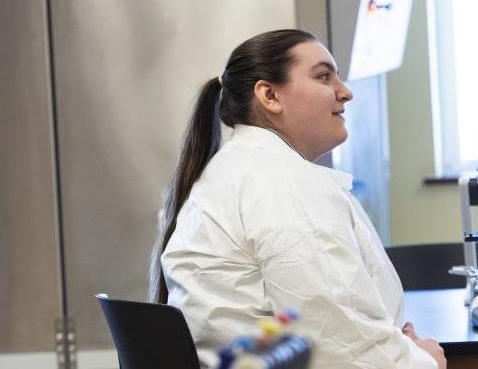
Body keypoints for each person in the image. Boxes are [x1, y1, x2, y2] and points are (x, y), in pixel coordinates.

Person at [147, 29, 446, 369]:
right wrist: (424, 360)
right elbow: (334, 340)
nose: (345, 92)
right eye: (323, 76)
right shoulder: (280, 181)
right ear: (270, 95)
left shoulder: (242, 168)